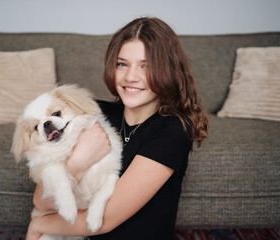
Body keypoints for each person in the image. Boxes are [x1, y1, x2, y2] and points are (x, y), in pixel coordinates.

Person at [26, 17, 209, 240]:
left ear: (167, 71)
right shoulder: (92, 113)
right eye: (122, 64)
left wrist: (38, 226)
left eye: (146, 66)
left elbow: (105, 220)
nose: (131, 77)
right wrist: (78, 164)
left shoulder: (173, 130)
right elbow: (41, 200)